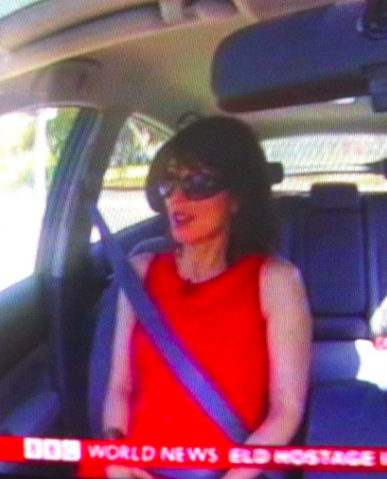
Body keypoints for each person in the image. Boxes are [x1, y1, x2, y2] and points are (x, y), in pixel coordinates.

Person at [96, 117, 311, 479]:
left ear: (237, 199)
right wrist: (117, 455)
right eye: (171, 182)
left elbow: (286, 411)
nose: (176, 198)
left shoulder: (276, 281)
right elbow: (120, 385)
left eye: (197, 183)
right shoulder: (140, 272)